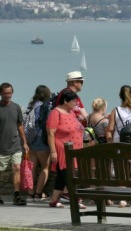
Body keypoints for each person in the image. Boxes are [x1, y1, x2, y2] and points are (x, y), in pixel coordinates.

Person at [0, 83, 29, 206]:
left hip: (15, 145)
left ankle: (16, 196)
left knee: (16, 168)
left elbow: (20, 125)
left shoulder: (16, 107)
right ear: (0, 93)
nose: (8, 95)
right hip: (0, 146)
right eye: (5, 93)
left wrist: (24, 142)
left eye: (10, 93)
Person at [46, 89, 86, 209]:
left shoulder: (72, 112)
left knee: (62, 177)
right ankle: (76, 199)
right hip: (63, 149)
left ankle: (53, 200)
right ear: (65, 101)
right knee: (68, 175)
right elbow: (50, 133)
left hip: (74, 149)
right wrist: (53, 151)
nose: (76, 103)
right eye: (73, 101)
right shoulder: (56, 113)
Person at [54, 71, 88, 204]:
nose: (82, 84)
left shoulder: (76, 97)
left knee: (68, 168)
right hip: (65, 139)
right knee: (65, 168)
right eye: (81, 82)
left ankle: (64, 194)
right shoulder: (66, 95)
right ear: (75, 82)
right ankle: (68, 194)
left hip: (74, 138)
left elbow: (85, 115)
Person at [25, 85, 51, 202]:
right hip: (41, 139)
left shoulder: (31, 106)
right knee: (45, 167)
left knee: (32, 168)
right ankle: (38, 193)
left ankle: (30, 194)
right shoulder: (44, 106)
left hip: (30, 139)